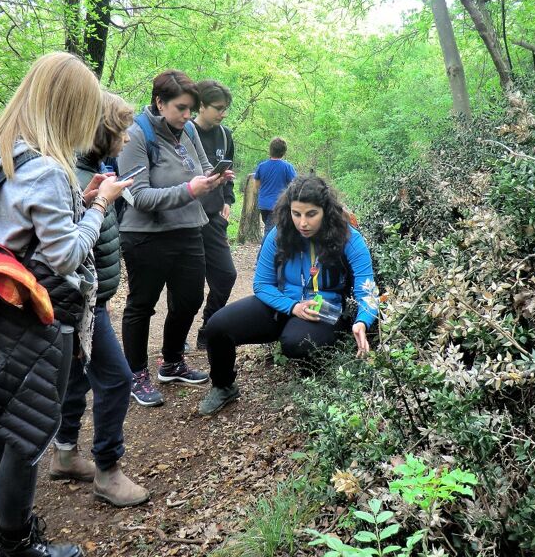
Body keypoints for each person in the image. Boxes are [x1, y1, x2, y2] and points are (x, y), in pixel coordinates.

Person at [0, 53, 130, 557]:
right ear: (67, 108)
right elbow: (65, 257)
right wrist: (99, 206)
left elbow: (19, 225)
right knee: (27, 436)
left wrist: (74, 203)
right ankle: (18, 551)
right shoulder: (44, 168)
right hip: (40, 319)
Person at [197, 175, 378, 416]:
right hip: (282, 303)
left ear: (326, 211)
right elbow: (261, 284)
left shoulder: (348, 238)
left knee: (296, 342)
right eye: (296, 214)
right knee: (217, 326)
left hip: (325, 311)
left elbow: (368, 289)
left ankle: (313, 388)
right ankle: (224, 386)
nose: (302, 223)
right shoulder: (279, 234)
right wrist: (293, 307)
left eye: (311, 214)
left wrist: (363, 321)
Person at [49, 92, 150, 507]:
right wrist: (100, 201)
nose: (127, 138)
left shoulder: (91, 169)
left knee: (75, 378)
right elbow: (64, 245)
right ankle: (108, 470)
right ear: (103, 131)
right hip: (79, 302)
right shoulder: (69, 171)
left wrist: (95, 198)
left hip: (86, 301)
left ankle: (65, 454)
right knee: (116, 378)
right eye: (122, 130)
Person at [118, 69, 232, 406]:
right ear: (159, 102)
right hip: (146, 235)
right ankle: (136, 374)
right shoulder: (136, 135)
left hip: (188, 230)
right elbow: (137, 196)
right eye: (181, 108)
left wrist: (213, 179)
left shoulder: (187, 131)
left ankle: (172, 362)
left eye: (190, 109)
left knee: (189, 299)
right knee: (142, 305)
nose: (187, 116)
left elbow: (198, 169)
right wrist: (188, 190)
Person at [188, 79, 237, 350]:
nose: (223, 113)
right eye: (218, 108)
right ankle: (177, 339)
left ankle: (209, 327)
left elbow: (228, 172)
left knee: (226, 276)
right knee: (187, 287)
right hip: (186, 219)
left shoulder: (225, 134)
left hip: (214, 219)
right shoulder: (184, 132)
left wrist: (227, 199)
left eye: (225, 108)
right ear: (201, 106)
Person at [255, 137, 296, 235]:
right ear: (284, 152)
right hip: (279, 205)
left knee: (271, 228)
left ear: (270, 150)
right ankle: (264, 249)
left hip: (263, 205)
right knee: (270, 232)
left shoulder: (262, 166)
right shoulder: (287, 167)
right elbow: (295, 185)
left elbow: (256, 185)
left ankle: (275, 248)